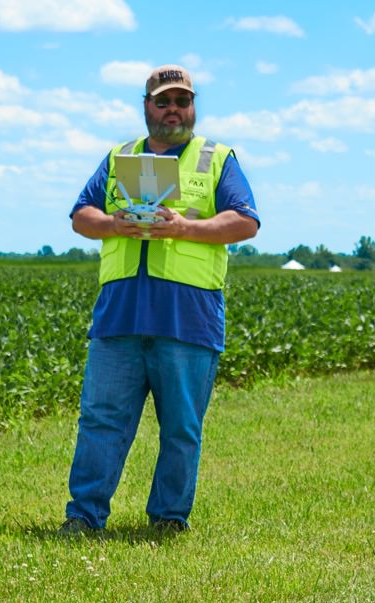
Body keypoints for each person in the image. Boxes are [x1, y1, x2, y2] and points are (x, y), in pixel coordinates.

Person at [60, 65, 260, 535]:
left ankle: (169, 518)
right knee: (101, 422)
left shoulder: (217, 158)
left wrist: (184, 228)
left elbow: (245, 222)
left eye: (182, 101)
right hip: (119, 318)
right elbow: (80, 216)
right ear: (146, 106)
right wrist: (112, 224)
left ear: (193, 107)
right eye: (164, 101)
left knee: (181, 429)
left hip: (188, 320)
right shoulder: (119, 156)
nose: (174, 110)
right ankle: (85, 518)